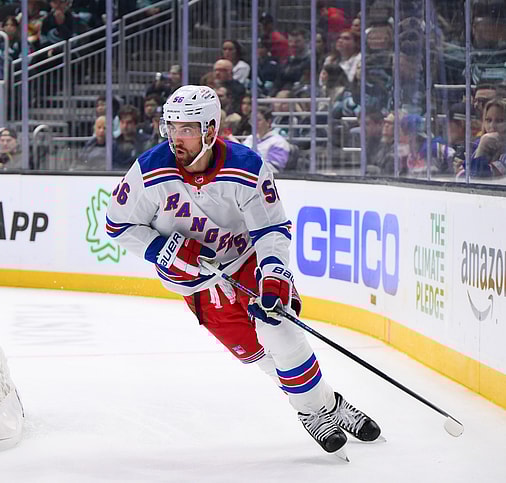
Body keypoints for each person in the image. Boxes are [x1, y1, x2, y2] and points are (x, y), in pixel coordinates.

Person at [105, 85, 381, 457]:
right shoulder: (150, 169)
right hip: (197, 284)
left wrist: (274, 277)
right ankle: (329, 404)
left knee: (279, 332)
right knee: (260, 357)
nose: (176, 139)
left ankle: (310, 414)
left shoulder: (246, 166)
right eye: (171, 128)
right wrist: (164, 249)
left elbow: (270, 229)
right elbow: (118, 225)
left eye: (186, 129)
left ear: (209, 130)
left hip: (246, 262)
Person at [242, 106, 291, 172]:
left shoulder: (279, 142)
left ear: (269, 122)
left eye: (258, 120)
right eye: (252, 120)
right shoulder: (249, 139)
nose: (254, 123)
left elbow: (274, 168)